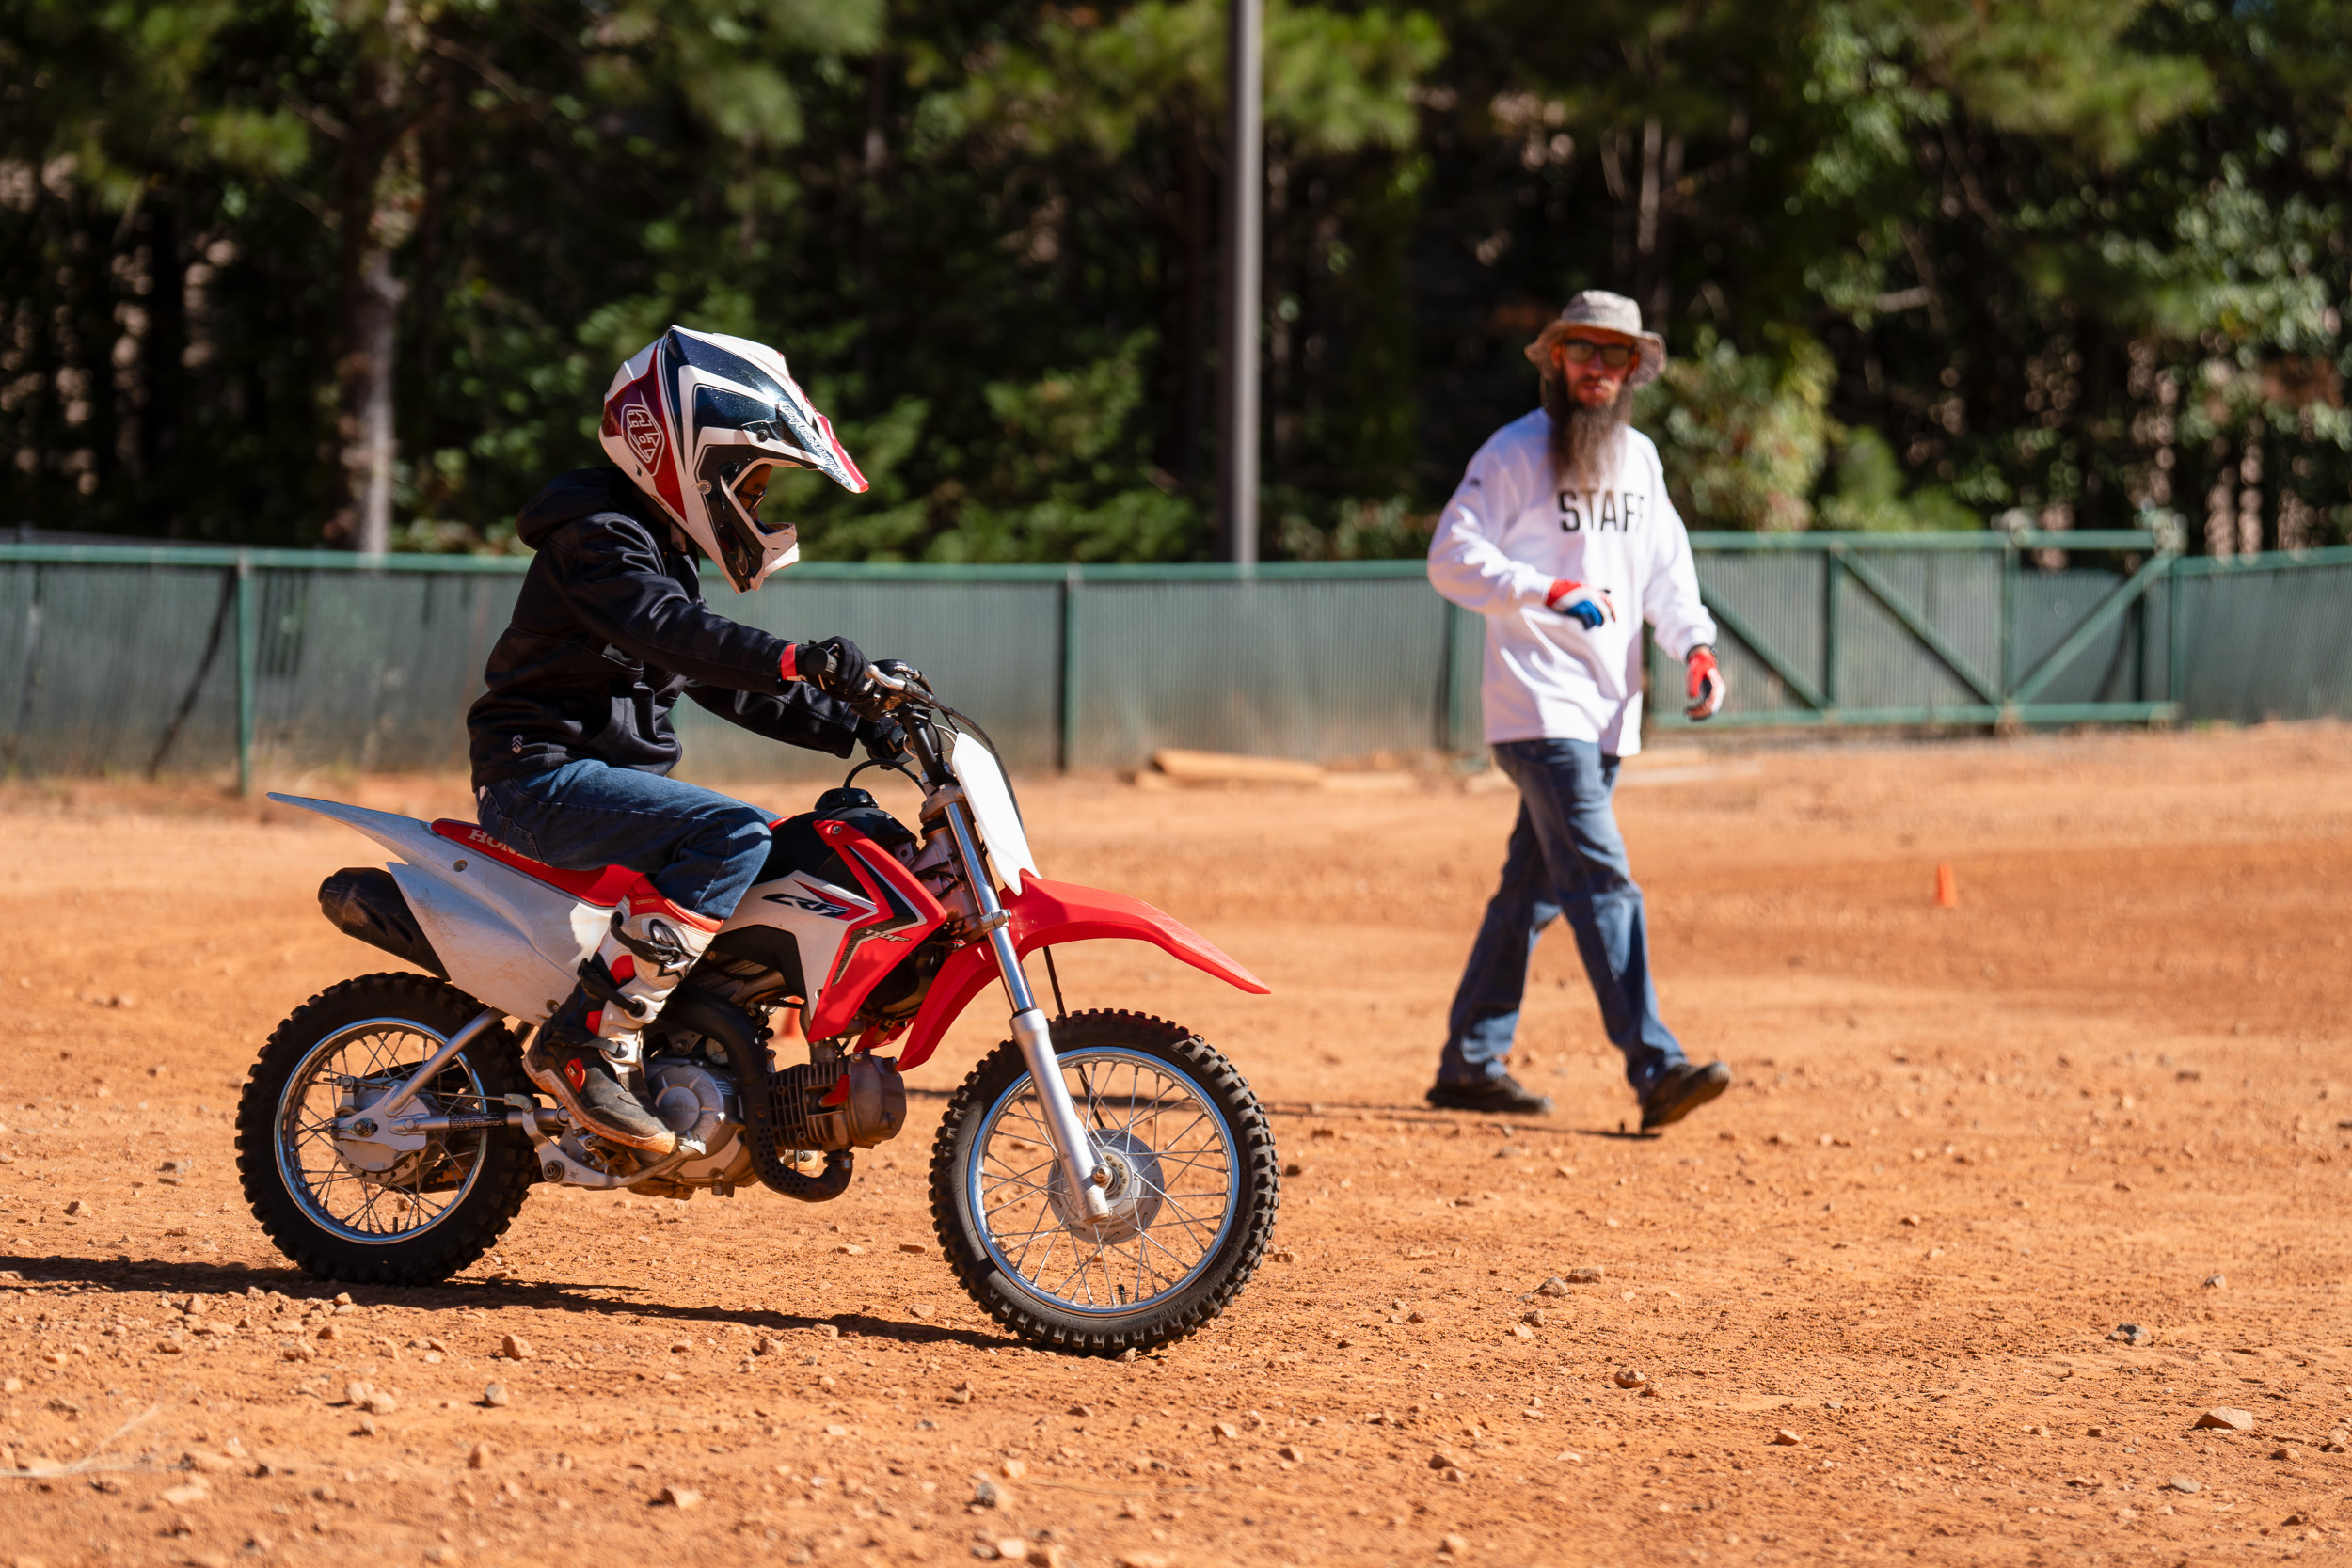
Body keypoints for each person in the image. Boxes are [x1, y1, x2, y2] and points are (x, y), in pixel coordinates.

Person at [467, 325, 901, 1157]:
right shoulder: (598, 536)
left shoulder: (659, 550)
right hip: (541, 779)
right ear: (691, 457)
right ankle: (583, 1041)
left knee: (791, 847)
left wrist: (862, 728)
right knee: (730, 832)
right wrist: (797, 657)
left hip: (592, 783)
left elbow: (722, 680)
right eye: (756, 479)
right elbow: (669, 632)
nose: (761, 502)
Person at [1423, 290, 1733, 1130]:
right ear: (1555, 358)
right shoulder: (1515, 451)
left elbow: (1668, 574)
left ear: (1636, 369)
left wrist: (1695, 648)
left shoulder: (1640, 460)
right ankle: (1656, 1064)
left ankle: (1469, 1062)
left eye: (1617, 356)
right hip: (1537, 706)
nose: (1599, 370)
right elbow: (1450, 557)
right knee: (1601, 879)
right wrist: (1544, 590)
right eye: (1584, 352)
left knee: (1533, 890)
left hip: (1607, 712)